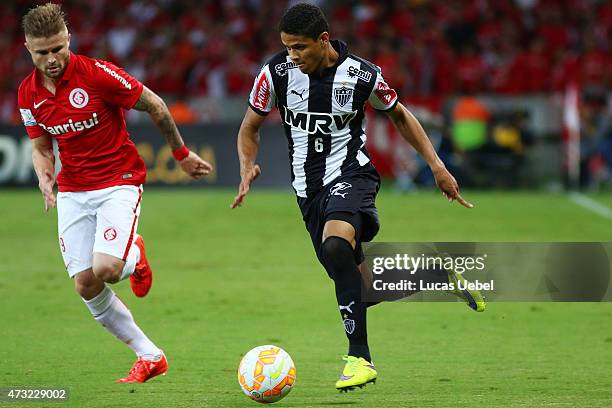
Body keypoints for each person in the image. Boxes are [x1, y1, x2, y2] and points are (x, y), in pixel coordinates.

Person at [232, 3, 485, 392]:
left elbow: (400, 115)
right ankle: (431, 273)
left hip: (353, 175)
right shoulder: (275, 74)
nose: (292, 56)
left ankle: (360, 358)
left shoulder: (361, 75)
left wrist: (436, 165)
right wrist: (247, 166)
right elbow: (250, 127)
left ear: (323, 40)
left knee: (336, 245)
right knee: (359, 287)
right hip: (308, 192)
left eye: (299, 47)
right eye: (287, 48)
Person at [17, 3, 212, 383]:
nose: (52, 58)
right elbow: (41, 147)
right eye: (43, 52)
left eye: (58, 48)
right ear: (28, 49)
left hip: (118, 181)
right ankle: (150, 355)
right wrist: (45, 177)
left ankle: (135, 253)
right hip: (73, 189)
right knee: (85, 284)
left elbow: (154, 104)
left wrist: (181, 154)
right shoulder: (29, 95)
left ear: (68, 39)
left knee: (107, 269)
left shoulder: (97, 74)